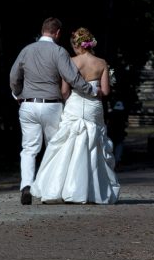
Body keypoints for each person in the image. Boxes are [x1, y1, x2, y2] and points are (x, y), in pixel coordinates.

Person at [9, 17, 96, 205]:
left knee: (29, 148)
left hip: (28, 104)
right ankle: (50, 189)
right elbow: (72, 77)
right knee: (54, 147)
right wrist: (91, 90)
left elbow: (14, 75)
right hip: (51, 104)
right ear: (57, 33)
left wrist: (17, 94)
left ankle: (26, 185)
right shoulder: (59, 51)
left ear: (43, 30)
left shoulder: (26, 50)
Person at [30, 27, 120, 204]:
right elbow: (106, 91)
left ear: (76, 45)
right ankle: (92, 192)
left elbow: (64, 91)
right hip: (94, 107)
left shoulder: (71, 62)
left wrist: (70, 100)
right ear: (90, 43)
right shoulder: (101, 63)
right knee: (93, 145)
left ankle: (61, 189)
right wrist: (94, 91)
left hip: (75, 105)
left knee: (67, 144)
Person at [107, 100, 128, 167]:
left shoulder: (112, 114)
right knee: (118, 147)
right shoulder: (122, 115)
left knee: (113, 147)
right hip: (117, 134)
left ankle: (113, 161)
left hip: (113, 133)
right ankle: (117, 160)